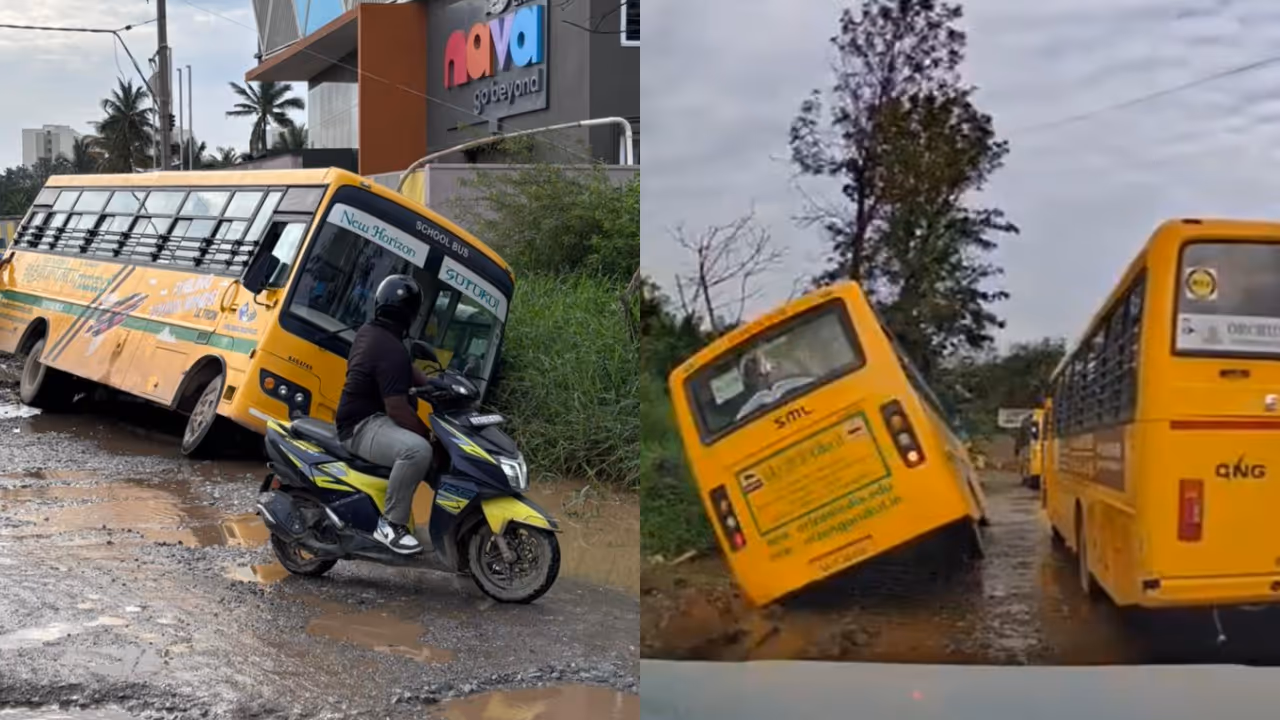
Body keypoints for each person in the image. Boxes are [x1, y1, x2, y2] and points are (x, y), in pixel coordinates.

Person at [335, 274, 434, 554]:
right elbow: (397, 409)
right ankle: (390, 524)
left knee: (419, 445)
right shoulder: (390, 347)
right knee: (417, 451)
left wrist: (439, 386)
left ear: (379, 303)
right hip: (361, 426)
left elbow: (405, 370)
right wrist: (427, 436)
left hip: (363, 420)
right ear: (413, 314)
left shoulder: (371, 333)